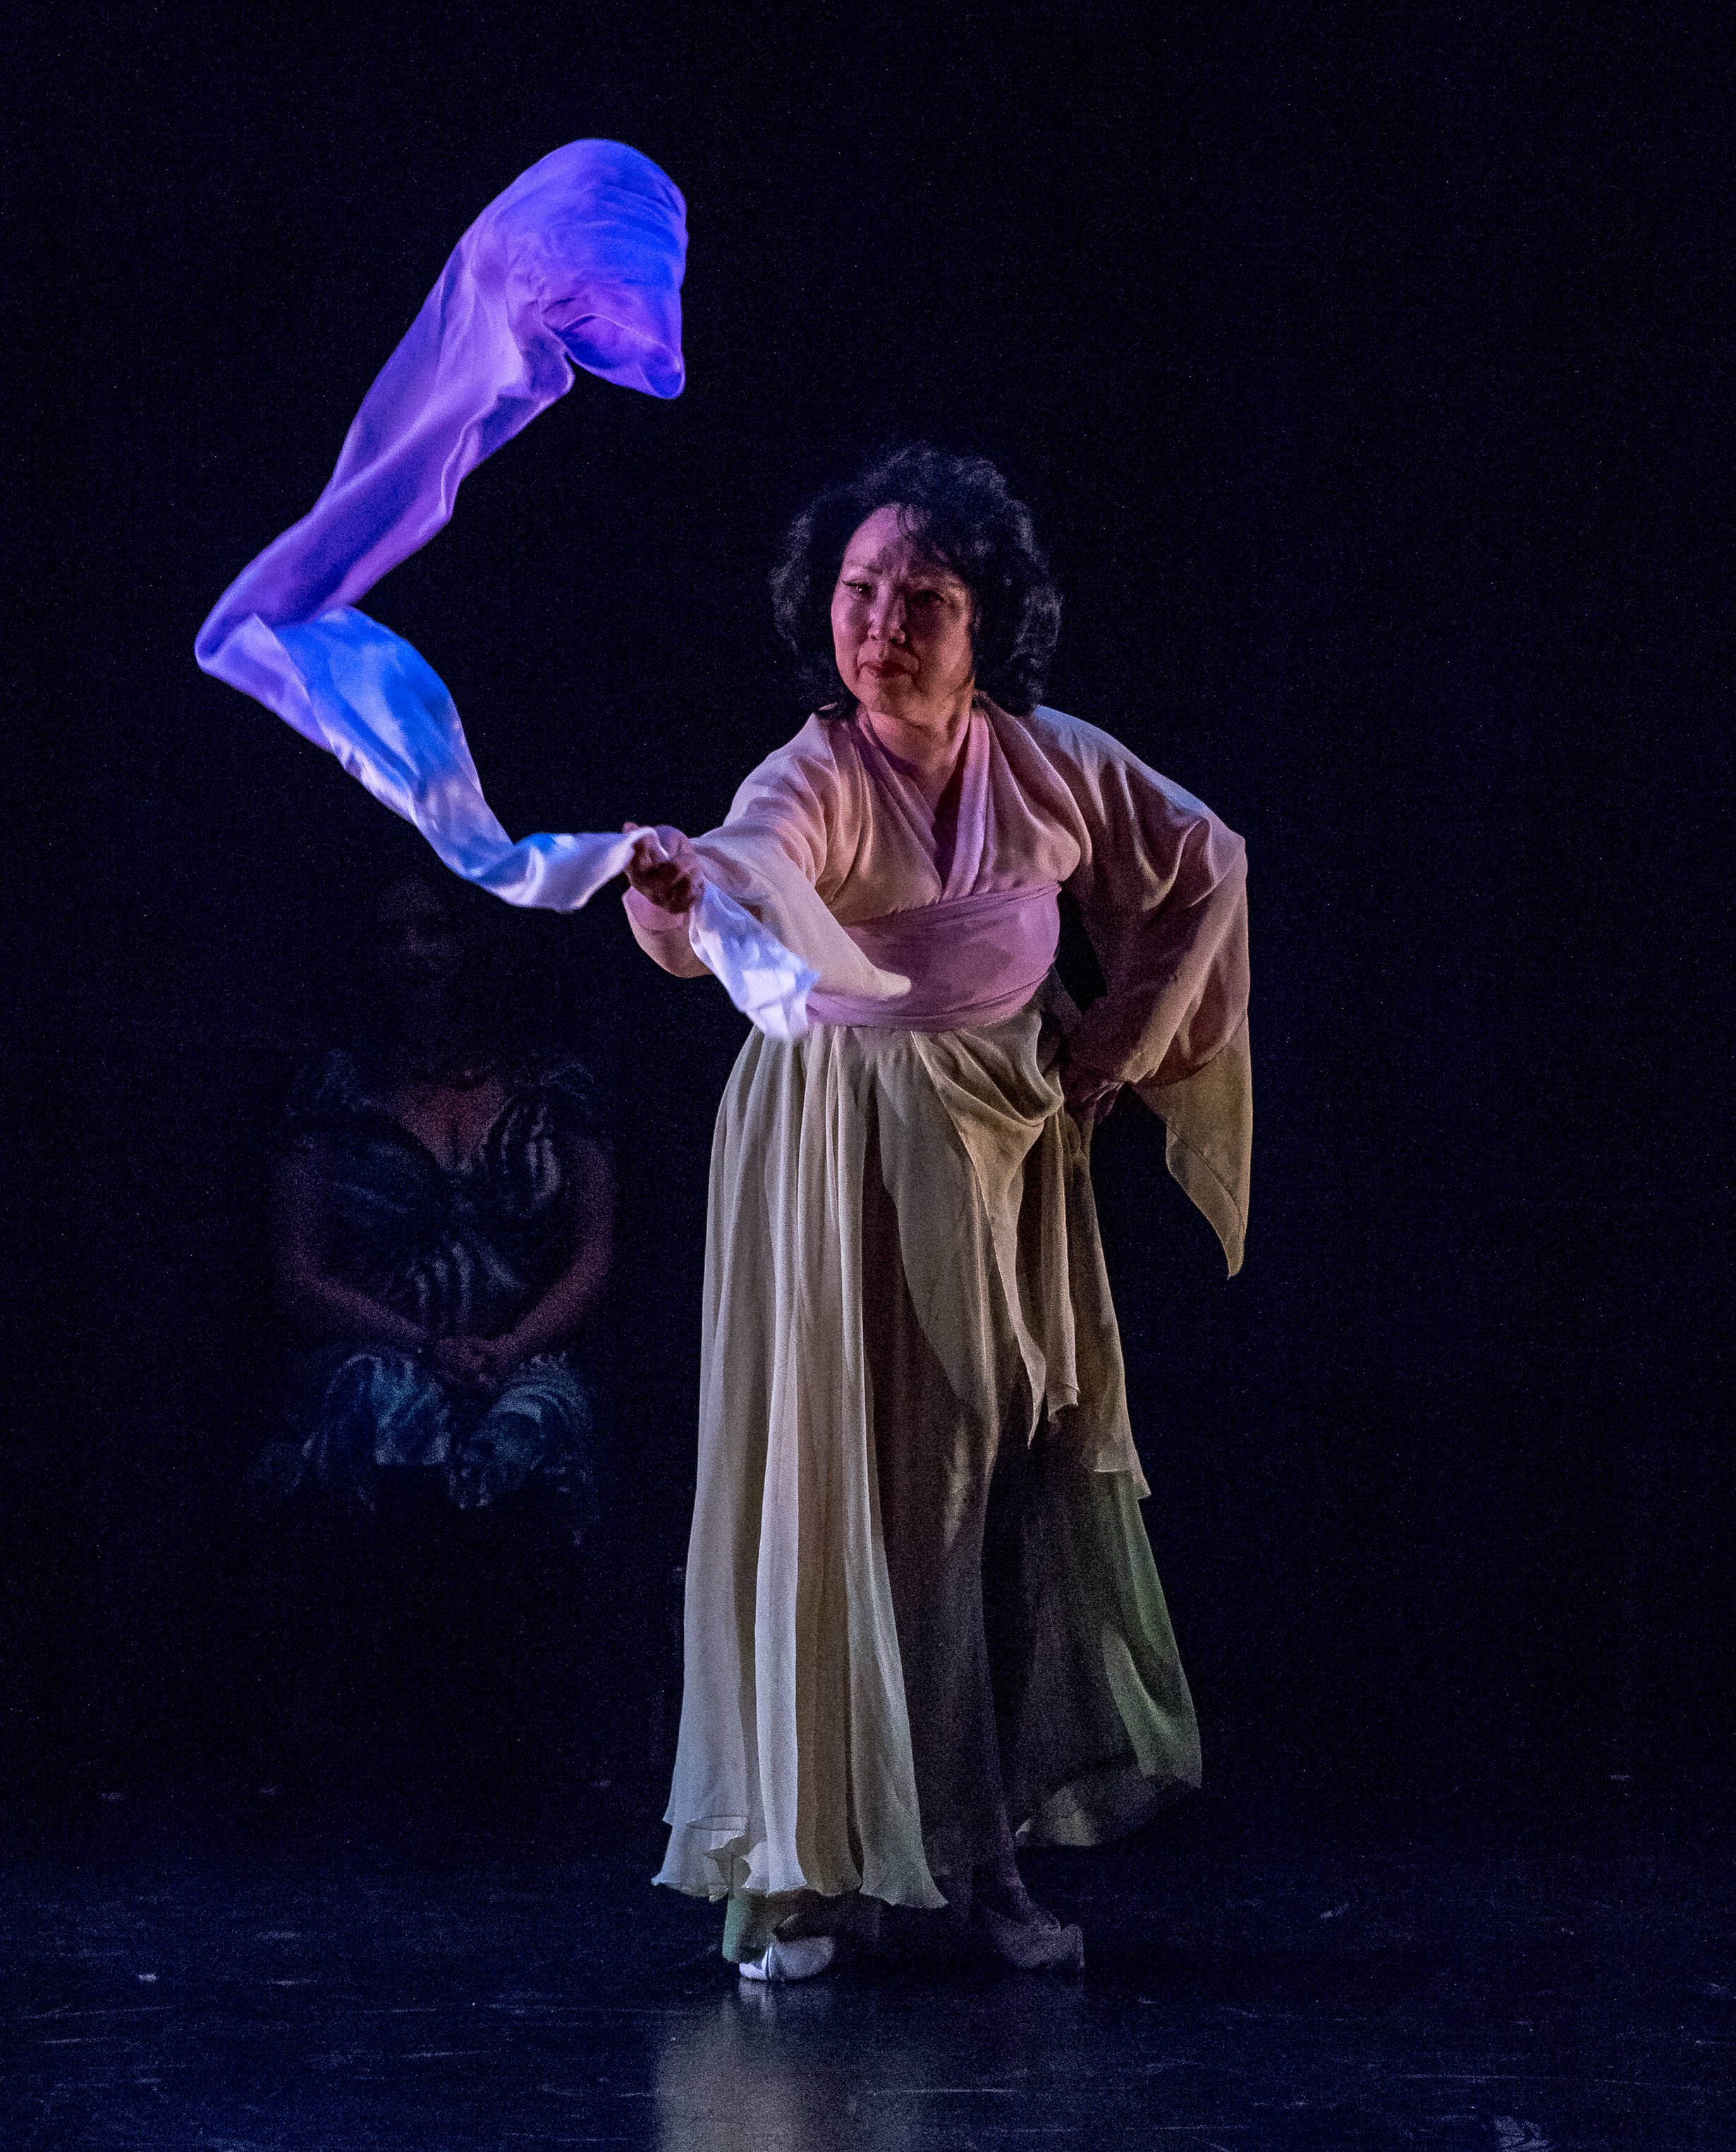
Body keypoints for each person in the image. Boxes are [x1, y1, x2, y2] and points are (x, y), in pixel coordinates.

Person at [623, 444, 1251, 1981]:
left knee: (996, 1486)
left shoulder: (1045, 763)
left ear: (985, 624)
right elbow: (754, 867)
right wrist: (682, 884)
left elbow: (1206, 859)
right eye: (856, 591)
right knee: (839, 1488)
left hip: (1004, 1146)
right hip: (845, 1152)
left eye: (920, 596)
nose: (880, 623)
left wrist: (1114, 1043)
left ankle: (980, 1849)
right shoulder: (815, 770)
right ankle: (812, 1863)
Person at [262, 869, 613, 1539]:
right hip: (377, 1347)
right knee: (384, 1405)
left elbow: (593, 1254)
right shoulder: (333, 1089)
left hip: (523, 1353)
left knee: (534, 1425)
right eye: (393, 936)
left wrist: (510, 1349)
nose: (416, 951)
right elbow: (298, 1273)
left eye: (434, 929)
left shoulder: (555, 1084)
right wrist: (426, 1347)